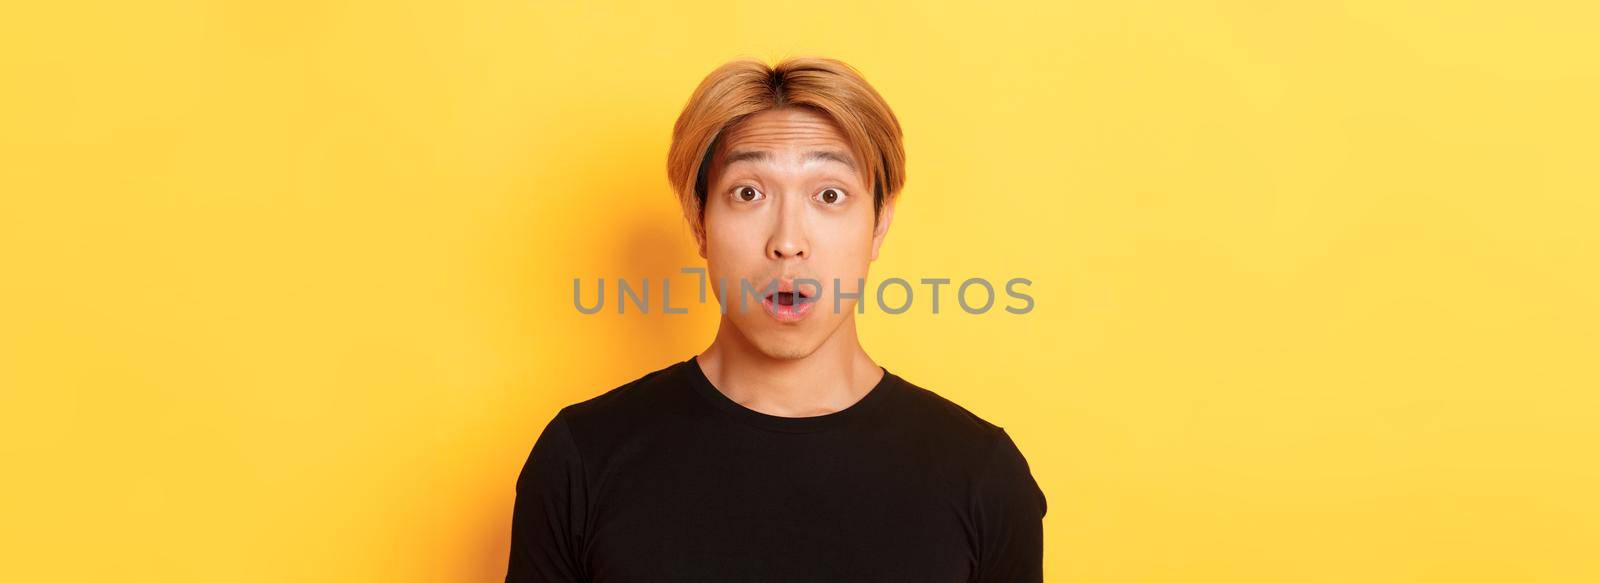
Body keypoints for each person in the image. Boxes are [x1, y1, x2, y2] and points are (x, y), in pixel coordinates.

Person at [507, 56, 1047, 582]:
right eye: (749, 193)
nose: (787, 242)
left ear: (879, 224)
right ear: (699, 221)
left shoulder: (982, 476)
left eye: (829, 195)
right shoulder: (580, 460)